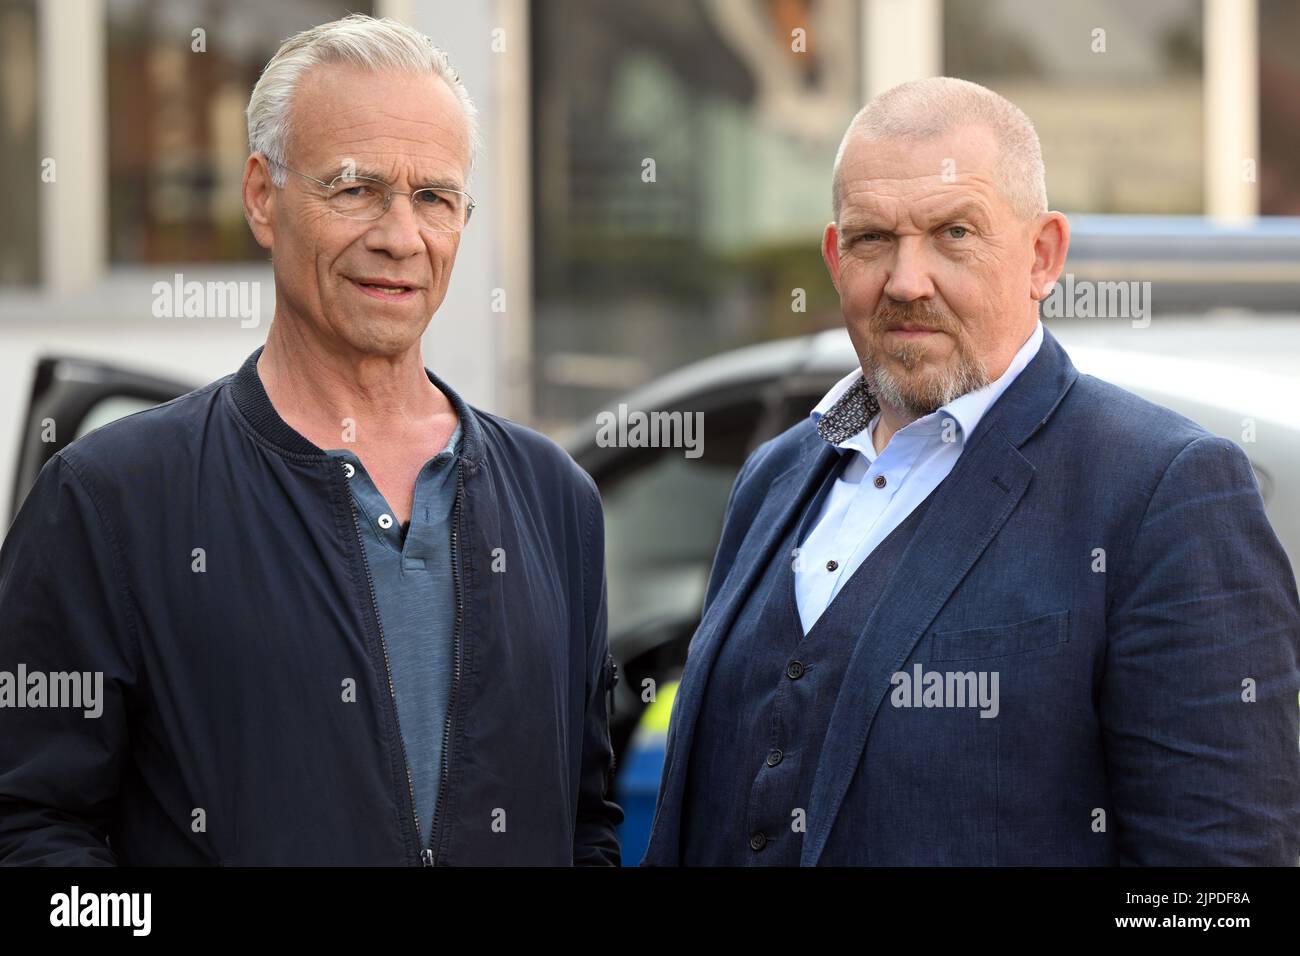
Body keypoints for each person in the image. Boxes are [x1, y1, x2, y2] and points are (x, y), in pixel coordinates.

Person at [0, 14, 621, 866]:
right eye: (355, 188)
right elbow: (29, 828)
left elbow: (587, 822)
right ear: (262, 195)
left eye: (434, 197)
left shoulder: (557, 501)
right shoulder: (111, 499)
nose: (400, 237)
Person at [643, 76, 1300, 866]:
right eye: (872, 239)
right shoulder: (773, 478)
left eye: (954, 233)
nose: (907, 281)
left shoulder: (1165, 493)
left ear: (1042, 254)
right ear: (834, 255)